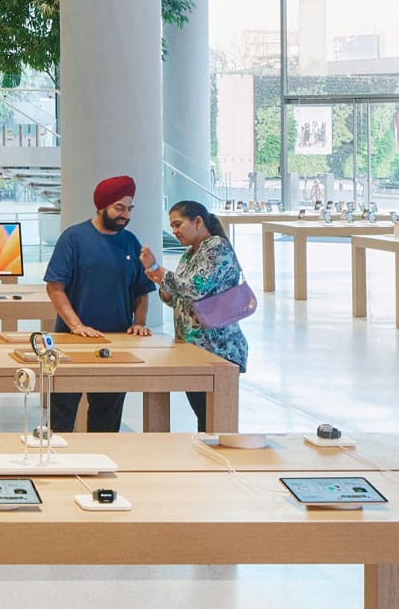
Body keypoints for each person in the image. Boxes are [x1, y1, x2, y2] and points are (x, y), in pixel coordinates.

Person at [42, 176, 153, 433]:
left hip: (116, 344)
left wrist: (139, 322)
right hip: (70, 341)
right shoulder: (73, 238)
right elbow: (55, 287)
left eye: (129, 209)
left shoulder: (131, 241)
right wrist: (77, 326)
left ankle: (100, 465)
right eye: (119, 207)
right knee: (63, 413)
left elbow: (142, 290)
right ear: (101, 206)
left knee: (107, 418)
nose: (125, 214)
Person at [141, 201, 249, 433]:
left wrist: (160, 272)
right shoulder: (190, 254)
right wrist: (163, 285)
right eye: (172, 227)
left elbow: (195, 288)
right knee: (204, 417)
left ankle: (218, 467)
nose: (175, 232)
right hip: (193, 348)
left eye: (178, 224)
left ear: (198, 221)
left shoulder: (216, 248)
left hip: (217, 349)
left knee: (214, 421)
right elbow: (177, 296)